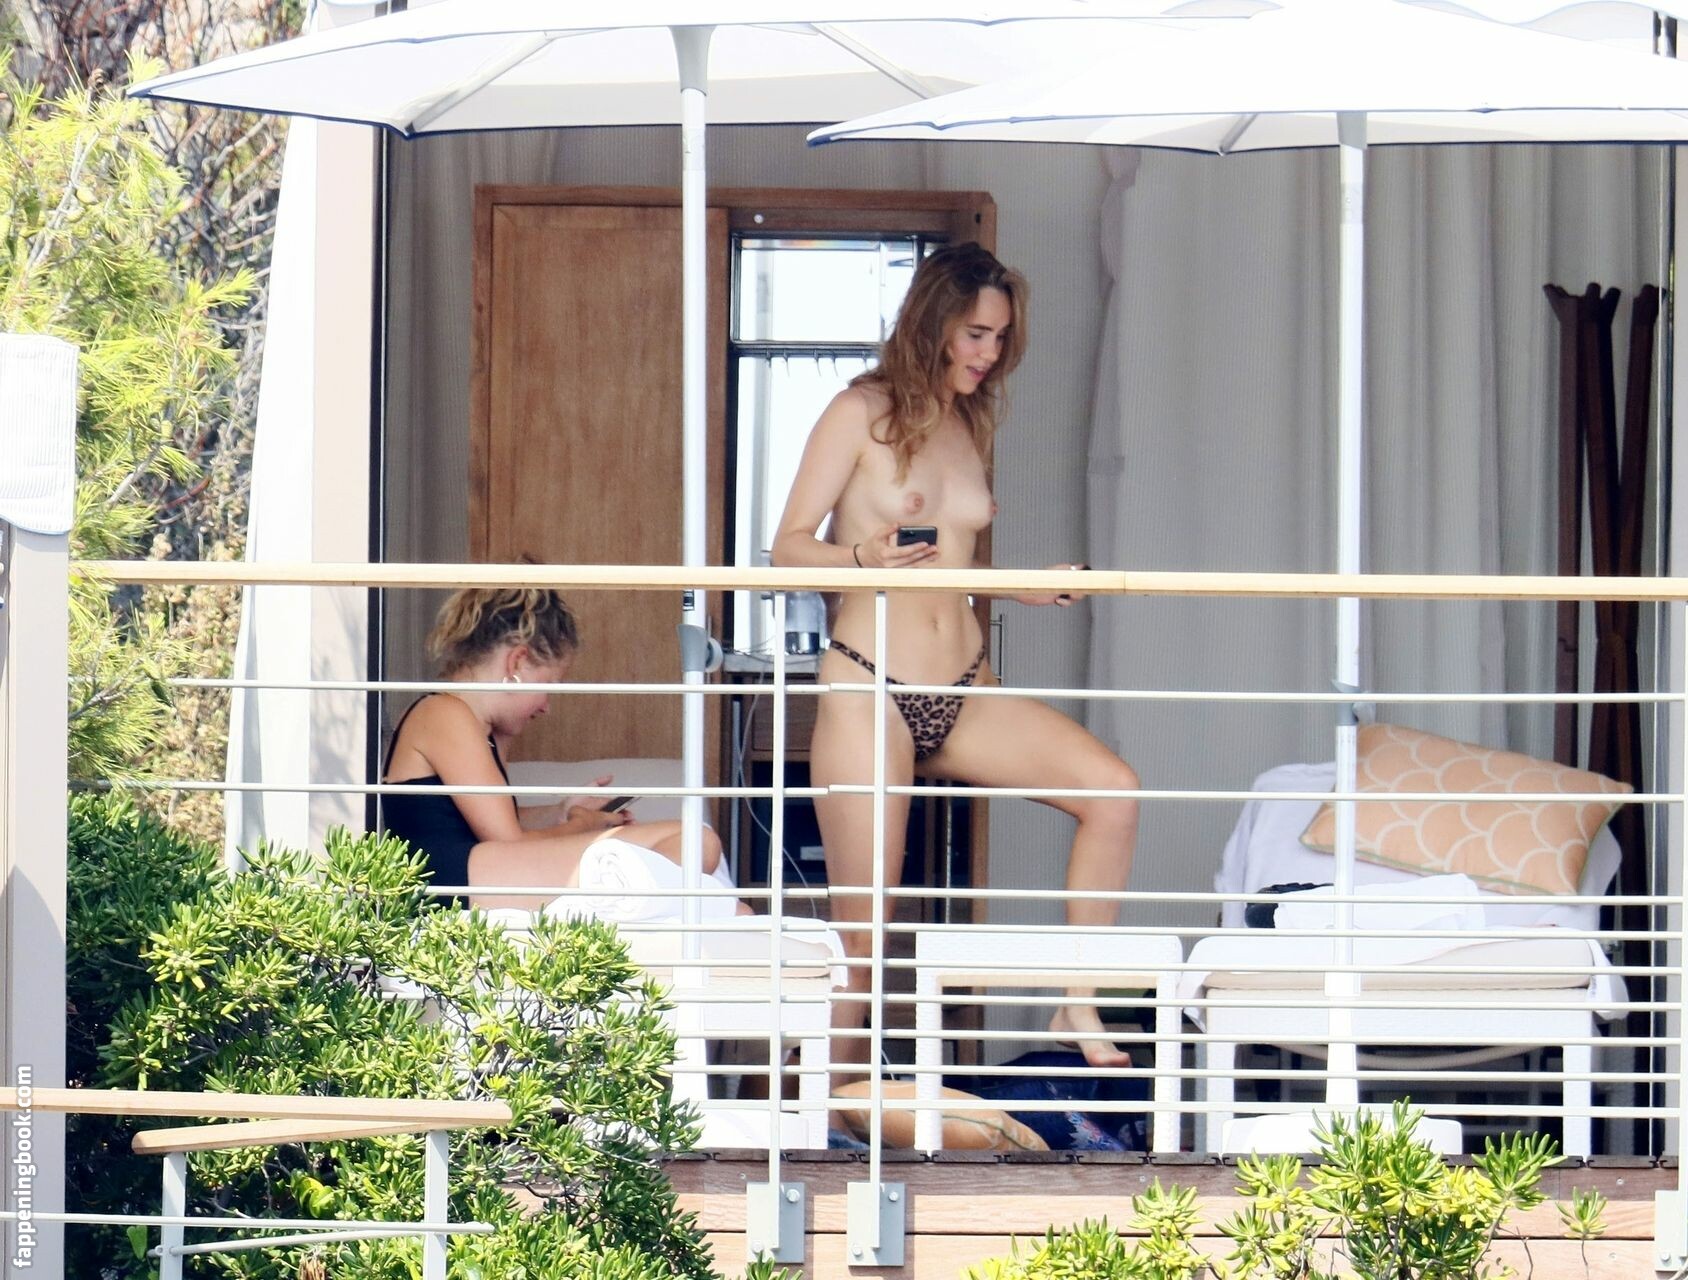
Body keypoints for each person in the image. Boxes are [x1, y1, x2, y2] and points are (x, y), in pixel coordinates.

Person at [771, 243, 1141, 1073]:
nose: (989, 353)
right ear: (934, 322)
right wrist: (858, 560)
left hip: (967, 687)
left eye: (1000, 338)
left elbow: (948, 563)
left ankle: (1076, 1004)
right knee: (865, 929)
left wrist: (1020, 587)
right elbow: (786, 547)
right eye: (976, 334)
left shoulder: (968, 422)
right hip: (871, 686)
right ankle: (819, 1106)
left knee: (1113, 791)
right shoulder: (857, 412)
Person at [381, 585, 741, 917]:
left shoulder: (480, 726)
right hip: (451, 882)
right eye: (549, 685)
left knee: (719, 885)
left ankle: (617, 914)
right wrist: (580, 826)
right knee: (696, 841)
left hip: (480, 873)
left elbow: (494, 819)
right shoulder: (444, 713)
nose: (546, 706)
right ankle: (600, 918)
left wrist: (561, 811)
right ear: (517, 663)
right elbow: (508, 840)